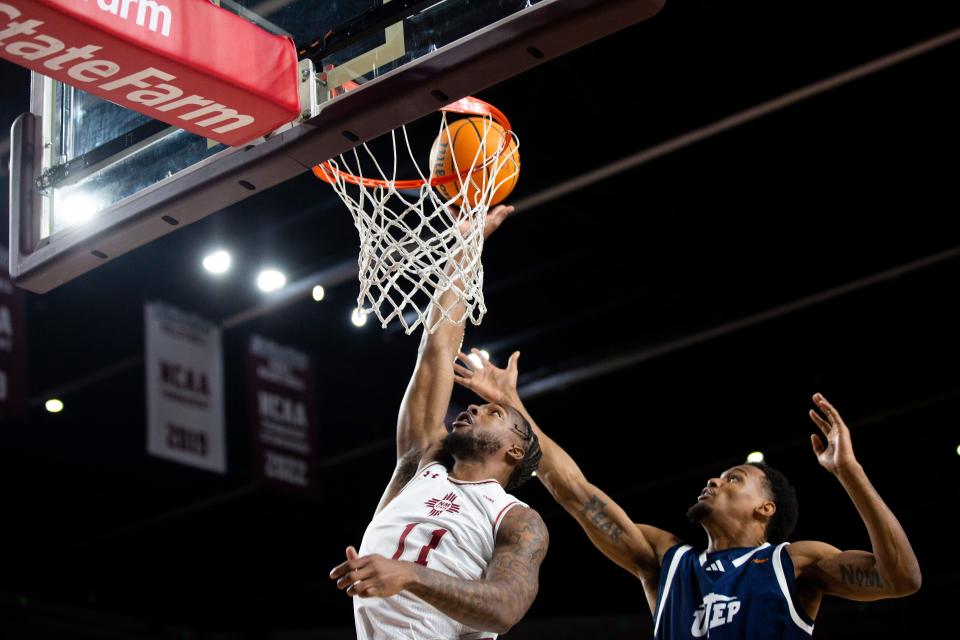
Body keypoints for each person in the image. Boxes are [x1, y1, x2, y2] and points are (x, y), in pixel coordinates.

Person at [453, 350, 921, 638]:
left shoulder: (795, 563)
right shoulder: (666, 561)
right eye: (719, 475)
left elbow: (901, 579)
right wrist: (514, 408)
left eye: (734, 478)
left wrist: (849, 471)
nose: (715, 480)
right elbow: (576, 492)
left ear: (766, 508)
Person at [329, 205, 548, 640]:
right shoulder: (420, 462)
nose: (472, 408)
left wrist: (410, 575)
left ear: (516, 450)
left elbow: (505, 608)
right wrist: (466, 247)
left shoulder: (518, 519)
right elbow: (436, 353)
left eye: (494, 412)